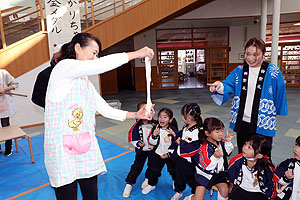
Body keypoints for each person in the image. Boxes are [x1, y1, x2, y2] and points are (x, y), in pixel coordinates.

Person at [44, 32, 155, 200]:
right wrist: (137, 54)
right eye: (94, 53)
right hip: (62, 150)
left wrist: (136, 115)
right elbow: (102, 65)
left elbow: (105, 109)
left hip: (85, 147)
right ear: (77, 48)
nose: (96, 58)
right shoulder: (63, 68)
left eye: (98, 55)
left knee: (91, 195)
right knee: (67, 195)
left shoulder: (84, 82)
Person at [207, 37, 288, 157]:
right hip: (243, 120)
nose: (250, 58)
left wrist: (278, 108)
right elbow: (228, 84)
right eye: (248, 54)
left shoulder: (273, 72)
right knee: (243, 152)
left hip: (262, 122)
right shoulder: (239, 70)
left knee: (261, 155)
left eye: (255, 54)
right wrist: (219, 86)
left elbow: (280, 90)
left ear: (264, 54)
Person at [184, 117, 235, 200]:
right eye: (217, 132)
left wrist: (228, 142)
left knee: (225, 192)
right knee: (198, 198)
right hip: (204, 175)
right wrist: (215, 157)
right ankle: (189, 198)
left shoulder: (219, 141)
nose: (221, 134)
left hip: (218, 173)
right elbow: (207, 167)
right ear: (207, 133)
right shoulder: (204, 147)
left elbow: (227, 153)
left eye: (222, 131)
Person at [123, 102, 156, 198]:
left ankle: (147, 178)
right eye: (144, 110)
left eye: (148, 110)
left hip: (152, 150)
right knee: (137, 167)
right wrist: (138, 143)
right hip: (141, 151)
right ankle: (129, 183)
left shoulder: (155, 123)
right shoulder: (136, 126)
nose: (146, 113)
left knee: (152, 165)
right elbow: (131, 138)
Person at [170, 103, 202, 200]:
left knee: (191, 178)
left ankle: (195, 193)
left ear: (188, 117)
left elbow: (193, 147)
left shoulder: (197, 132)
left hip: (189, 162)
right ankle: (179, 190)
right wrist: (176, 136)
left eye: (182, 115)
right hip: (181, 158)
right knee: (178, 175)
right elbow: (181, 134)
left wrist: (181, 143)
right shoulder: (186, 126)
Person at [142, 107, 178, 195]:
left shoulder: (173, 130)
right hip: (158, 153)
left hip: (170, 155)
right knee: (154, 170)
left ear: (170, 119)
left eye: (165, 117)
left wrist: (174, 135)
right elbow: (151, 142)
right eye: (160, 116)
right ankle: (151, 184)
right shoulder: (155, 128)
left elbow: (177, 144)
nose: (162, 119)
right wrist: (154, 135)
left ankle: (175, 182)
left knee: (173, 170)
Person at [228, 134, 276, 200]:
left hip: (257, 193)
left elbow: (270, 183)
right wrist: (231, 185)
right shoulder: (237, 160)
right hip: (240, 189)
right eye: (245, 144)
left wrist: (269, 196)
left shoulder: (266, 167)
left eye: (249, 147)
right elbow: (231, 173)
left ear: (259, 155)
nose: (244, 147)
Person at [274, 135, 300, 200]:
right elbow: (277, 179)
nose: (296, 149)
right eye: (296, 144)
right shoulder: (289, 163)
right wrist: (286, 178)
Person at [0, 69, 19, 157]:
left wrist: (4, 89)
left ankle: (8, 147)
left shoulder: (3, 73)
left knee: (6, 127)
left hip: (4, 104)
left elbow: (15, 85)